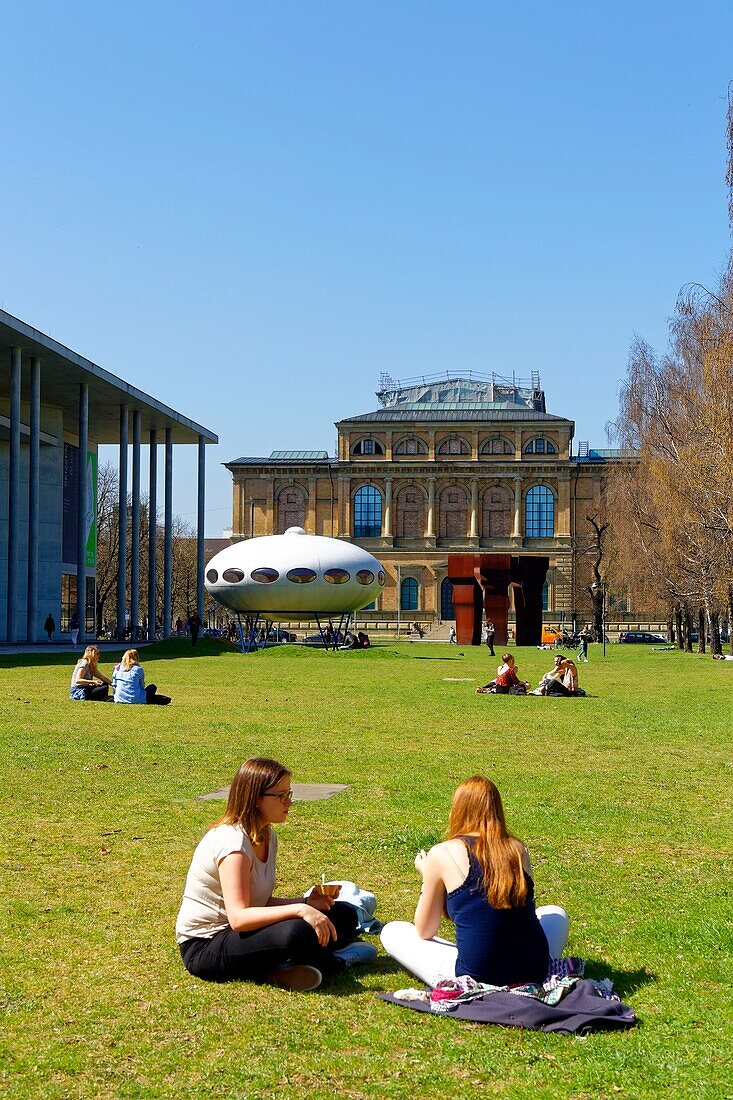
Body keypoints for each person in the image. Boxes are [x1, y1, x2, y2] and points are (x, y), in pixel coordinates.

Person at [176, 757, 374, 989]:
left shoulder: (267, 835)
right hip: (207, 945)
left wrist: (308, 902)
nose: (288, 802)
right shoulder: (233, 844)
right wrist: (301, 909)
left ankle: (279, 968)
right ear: (255, 798)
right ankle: (334, 961)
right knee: (295, 933)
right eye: (281, 795)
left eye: (288, 794)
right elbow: (239, 918)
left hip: (242, 935)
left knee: (344, 914)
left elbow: (259, 902)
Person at [380, 776, 569, 987]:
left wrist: (427, 876)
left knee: (392, 931)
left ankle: (480, 962)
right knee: (556, 914)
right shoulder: (517, 849)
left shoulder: (442, 852)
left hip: (478, 976)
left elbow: (425, 930)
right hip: (535, 970)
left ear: (458, 809)